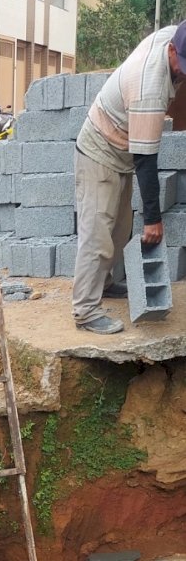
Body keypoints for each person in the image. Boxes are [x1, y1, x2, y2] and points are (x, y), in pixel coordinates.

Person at [73, 23, 186, 335]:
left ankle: (106, 284)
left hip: (123, 146)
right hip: (100, 150)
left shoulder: (173, 35)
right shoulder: (149, 86)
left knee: (120, 229)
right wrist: (153, 219)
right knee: (97, 236)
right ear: (172, 50)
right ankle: (85, 310)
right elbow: (146, 161)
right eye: (183, 65)